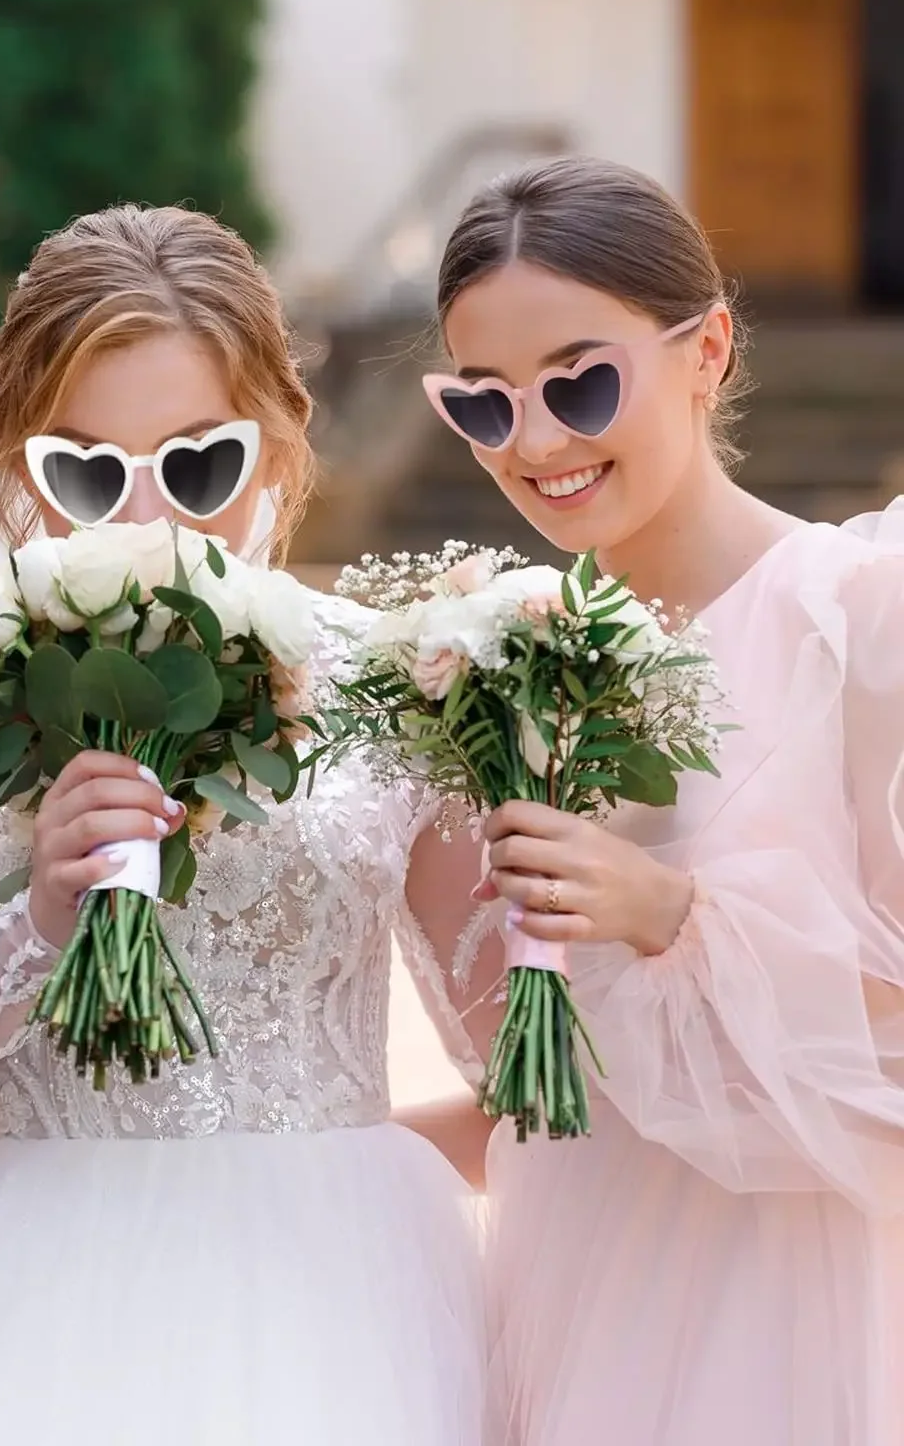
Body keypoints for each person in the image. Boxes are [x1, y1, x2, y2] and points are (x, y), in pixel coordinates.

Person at [0, 204, 489, 1446]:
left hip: (336, 1309)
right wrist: (32, 922)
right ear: (12, 463)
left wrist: (325, 1157)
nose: (147, 518)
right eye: (87, 472)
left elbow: (519, 1068)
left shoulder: (396, 685)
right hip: (11, 1324)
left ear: (274, 446)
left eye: (199, 464)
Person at [421, 155, 904, 1444]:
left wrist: (675, 913)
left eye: (581, 381)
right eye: (484, 404)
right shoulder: (498, 669)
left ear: (708, 349)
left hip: (789, 1311)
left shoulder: (857, 621)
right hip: (567, 1281)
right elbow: (551, 1089)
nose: (536, 444)